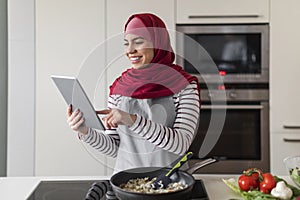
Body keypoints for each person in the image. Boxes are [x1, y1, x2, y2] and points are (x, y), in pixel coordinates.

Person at [67, 13, 201, 173]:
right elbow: (116, 149)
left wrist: (132, 120)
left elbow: (180, 145)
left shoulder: (185, 86)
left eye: (138, 42)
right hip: (127, 184)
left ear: (158, 44)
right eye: (126, 43)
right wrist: (85, 132)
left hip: (170, 183)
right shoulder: (119, 87)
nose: (130, 50)